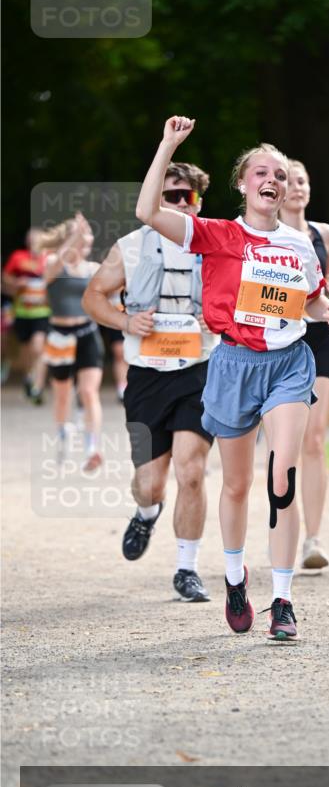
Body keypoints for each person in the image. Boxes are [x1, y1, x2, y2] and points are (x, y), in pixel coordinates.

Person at [135, 116, 329, 639]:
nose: (270, 179)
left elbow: (312, 301)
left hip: (290, 363)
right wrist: (167, 146)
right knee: (235, 484)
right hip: (233, 365)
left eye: (279, 172)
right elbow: (146, 211)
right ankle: (234, 578)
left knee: (282, 478)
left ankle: (283, 599)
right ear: (244, 184)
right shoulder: (218, 235)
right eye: (260, 172)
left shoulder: (300, 245)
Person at [82, 162, 217, 604]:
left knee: (191, 471)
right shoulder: (131, 248)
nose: (179, 204)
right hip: (146, 376)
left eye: (188, 197)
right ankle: (147, 512)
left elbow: (243, 304)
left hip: (200, 371)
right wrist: (125, 320)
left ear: (198, 202)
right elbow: (92, 297)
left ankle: (187, 569)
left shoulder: (216, 246)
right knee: (150, 484)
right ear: (156, 200)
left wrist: (214, 317)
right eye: (171, 195)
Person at [279, 159, 329, 569]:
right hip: (281, 343)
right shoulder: (267, 235)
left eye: (304, 180)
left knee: (315, 440)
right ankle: (282, 530)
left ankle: (313, 540)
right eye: (291, 181)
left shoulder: (324, 233)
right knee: (286, 446)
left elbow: (325, 285)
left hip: (319, 342)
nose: (299, 187)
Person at [41, 214, 104, 470]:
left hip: (87, 335)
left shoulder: (93, 269)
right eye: (81, 241)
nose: (84, 246)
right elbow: (60, 260)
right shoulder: (54, 263)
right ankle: (62, 434)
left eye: (87, 241)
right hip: (60, 337)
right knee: (62, 397)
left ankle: (93, 448)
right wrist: (75, 234)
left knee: (89, 392)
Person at [2, 228, 51, 403]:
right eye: (32, 240)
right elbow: (5, 279)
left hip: (43, 312)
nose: (34, 243)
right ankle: (28, 377)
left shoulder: (50, 258)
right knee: (25, 351)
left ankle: (38, 387)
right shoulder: (18, 257)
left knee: (38, 347)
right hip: (22, 311)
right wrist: (16, 282)